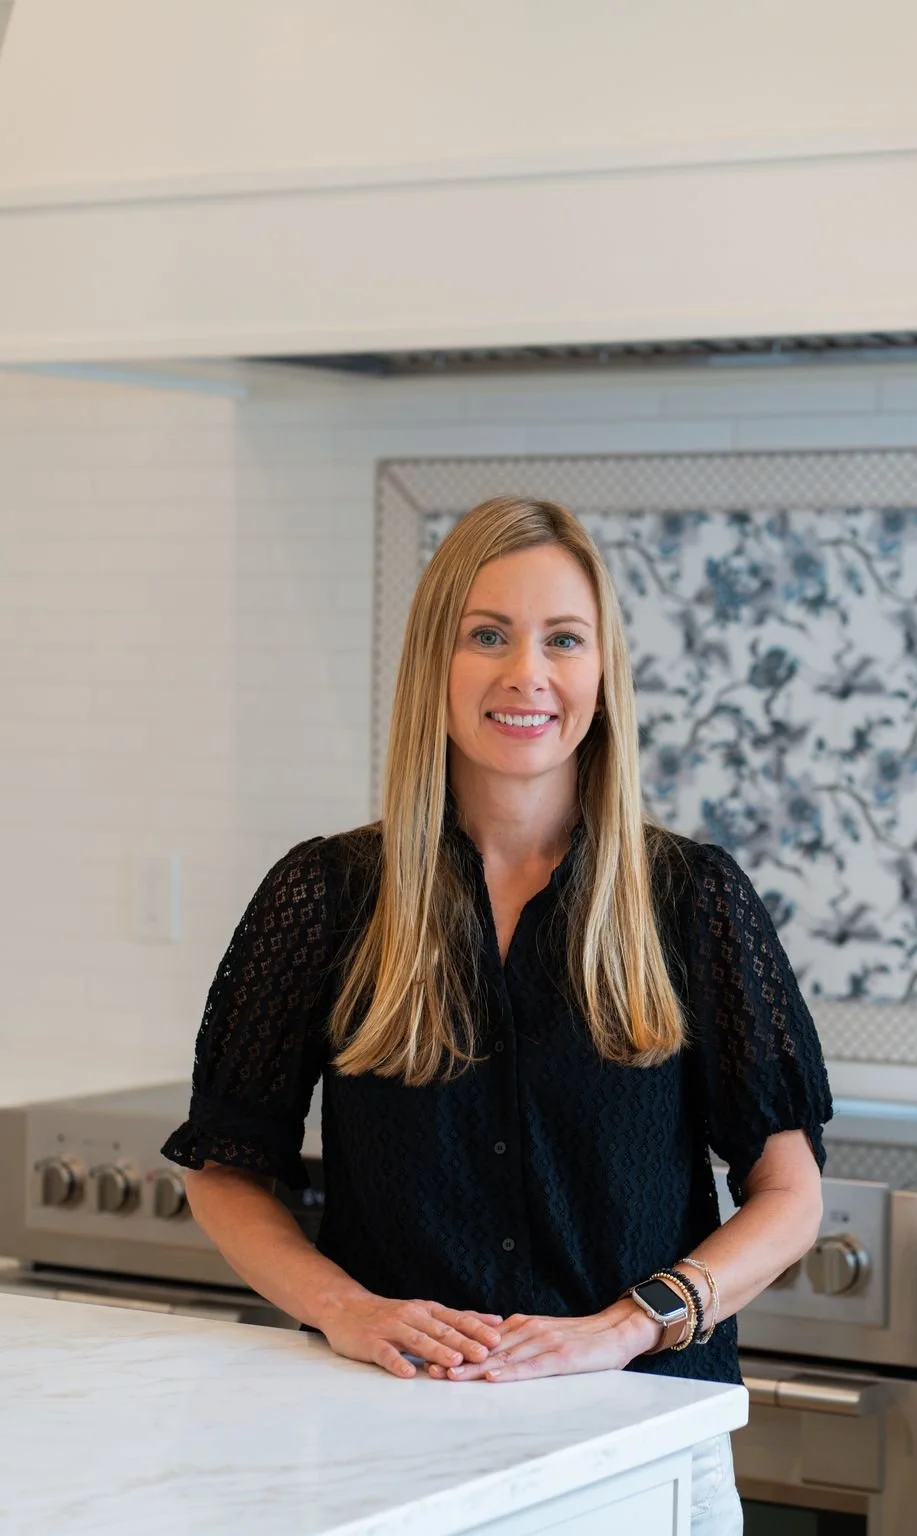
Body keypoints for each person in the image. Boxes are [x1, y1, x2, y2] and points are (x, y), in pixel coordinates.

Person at [163, 495, 831, 1535]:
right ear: (436, 661)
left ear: (601, 674)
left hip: (639, 1438)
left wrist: (626, 1326)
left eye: (563, 639)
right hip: (390, 1439)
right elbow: (229, 1166)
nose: (528, 673)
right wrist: (344, 1308)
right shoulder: (328, 891)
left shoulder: (691, 899)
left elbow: (788, 1193)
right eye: (488, 635)